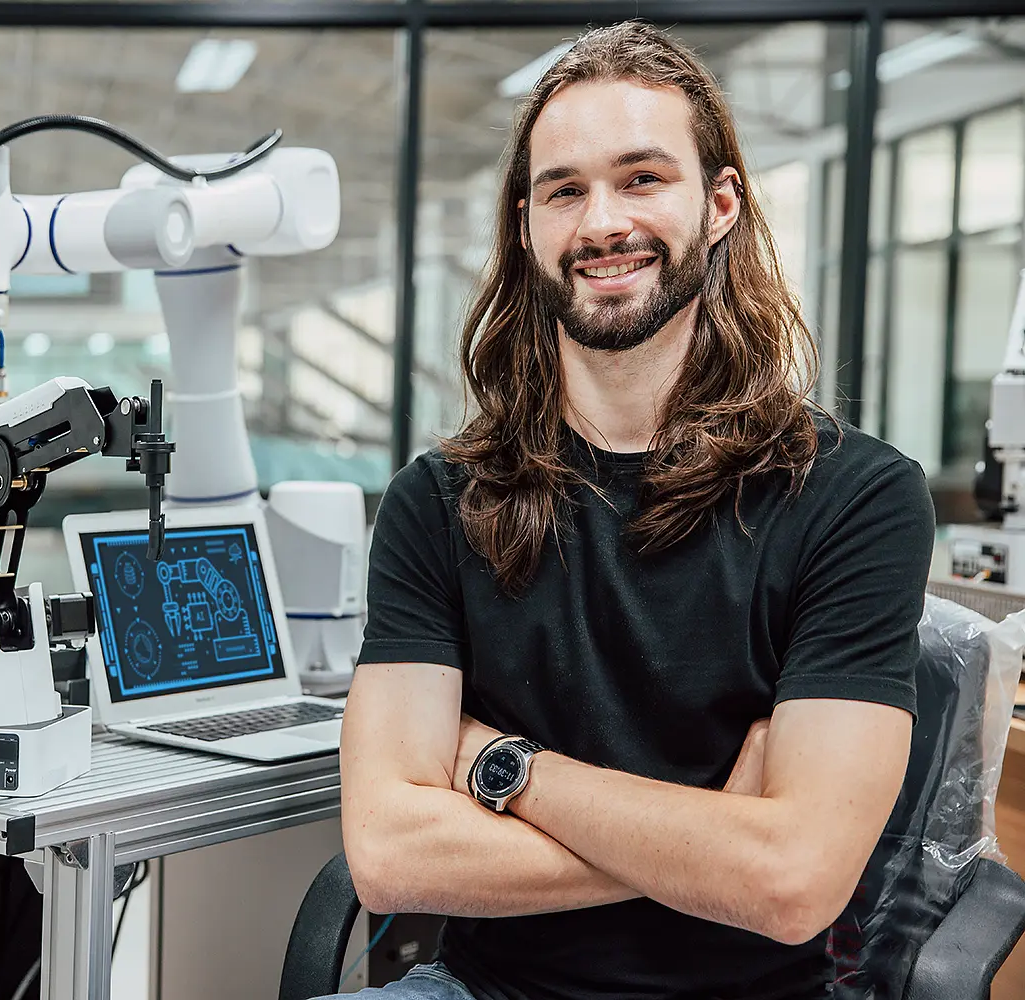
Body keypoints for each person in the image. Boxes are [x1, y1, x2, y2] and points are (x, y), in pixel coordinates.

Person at [335, 20, 934, 1000]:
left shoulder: (855, 497)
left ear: (721, 203)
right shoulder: (439, 501)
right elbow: (391, 854)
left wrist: (509, 770)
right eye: (564, 189)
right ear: (526, 226)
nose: (602, 221)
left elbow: (792, 885)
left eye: (643, 178)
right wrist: (713, 840)